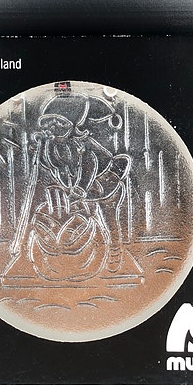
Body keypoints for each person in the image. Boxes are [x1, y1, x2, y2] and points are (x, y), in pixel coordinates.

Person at [33, 91, 131, 273]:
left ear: (73, 126)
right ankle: (82, 254)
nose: (53, 128)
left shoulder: (82, 145)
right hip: (79, 189)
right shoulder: (52, 145)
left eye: (60, 123)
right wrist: (41, 150)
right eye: (49, 123)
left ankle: (115, 251)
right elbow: (50, 165)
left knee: (109, 220)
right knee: (81, 218)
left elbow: (89, 166)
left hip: (104, 185)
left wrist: (79, 189)